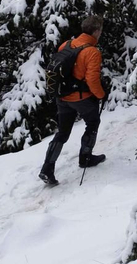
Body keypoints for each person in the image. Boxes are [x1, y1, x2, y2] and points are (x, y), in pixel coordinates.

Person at [40, 13, 107, 186]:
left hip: (62, 97)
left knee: (62, 132)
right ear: (96, 31)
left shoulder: (67, 44)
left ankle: (47, 169)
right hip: (81, 98)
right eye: (100, 31)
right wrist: (101, 95)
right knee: (92, 123)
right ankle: (85, 157)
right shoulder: (92, 52)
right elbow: (92, 80)